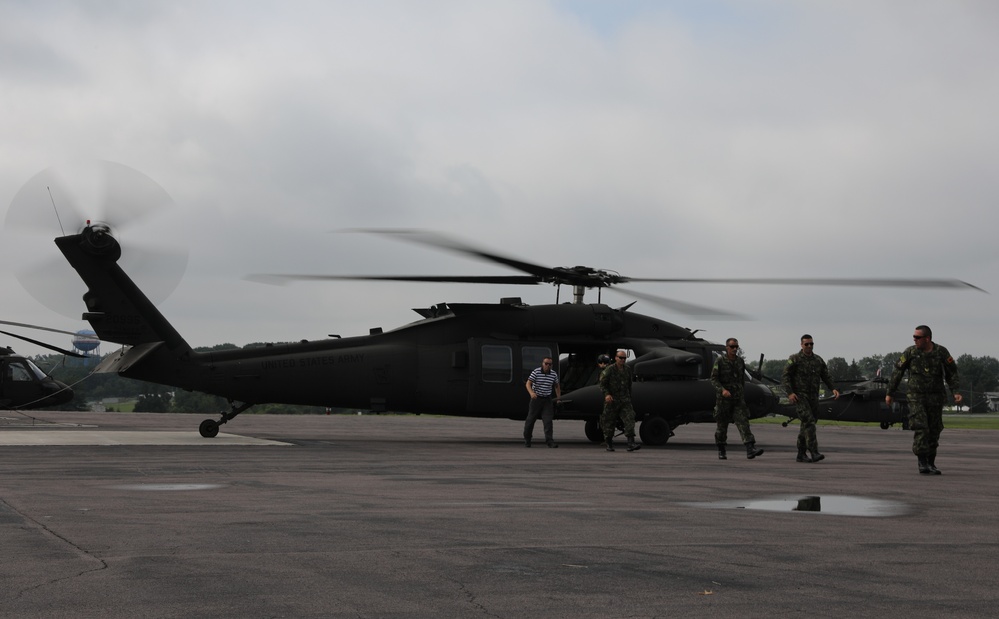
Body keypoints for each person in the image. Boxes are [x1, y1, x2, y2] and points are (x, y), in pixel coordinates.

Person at [886, 325, 962, 475]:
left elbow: (951, 372)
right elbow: (897, 372)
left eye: (917, 337)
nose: (914, 340)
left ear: (927, 339)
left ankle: (931, 462)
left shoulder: (941, 352)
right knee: (921, 427)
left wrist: (956, 391)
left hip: (936, 396)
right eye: (914, 337)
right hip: (916, 396)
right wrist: (890, 392)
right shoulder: (910, 352)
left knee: (934, 429)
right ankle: (922, 462)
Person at [781, 334, 840, 463]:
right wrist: (790, 393)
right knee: (809, 422)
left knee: (807, 424)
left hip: (813, 397)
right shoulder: (794, 359)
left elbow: (826, 375)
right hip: (800, 396)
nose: (809, 346)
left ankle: (801, 454)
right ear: (801, 345)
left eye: (811, 344)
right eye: (806, 344)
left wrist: (833, 388)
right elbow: (786, 377)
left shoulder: (818, 360)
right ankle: (814, 451)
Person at [710, 338, 764, 460]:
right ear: (727, 348)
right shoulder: (720, 361)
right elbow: (714, 379)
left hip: (738, 399)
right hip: (723, 400)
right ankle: (721, 449)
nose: (735, 349)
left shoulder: (740, 361)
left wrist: (741, 392)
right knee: (722, 426)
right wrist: (722, 390)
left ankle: (750, 449)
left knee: (743, 422)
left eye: (736, 347)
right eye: (732, 347)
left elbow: (741, 380)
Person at [598, 351, 641, 452]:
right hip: (612, 400)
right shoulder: (609, 370)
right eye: (620, 358)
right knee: (609, 422)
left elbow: (629, 384)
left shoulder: (627, 369)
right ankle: (609, 443)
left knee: (630, 419)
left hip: (625, 400)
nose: (622, 360)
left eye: (624, 358)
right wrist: (607, 394)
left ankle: (631, 443)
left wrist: (629, 397)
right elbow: (602, 384)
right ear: (616, 358)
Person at [524, 356, 561, 448]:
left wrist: (558, 398)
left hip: (547, 400)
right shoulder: (536, 372)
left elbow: (557, 386)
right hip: (536, 399)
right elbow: (528, 383)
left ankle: (550, 441)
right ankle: (527, 439)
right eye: (546, 364)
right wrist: (531, 393)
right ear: (542, 363)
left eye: (550, 364)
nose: (547, 366)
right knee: (530, 420)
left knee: (548, 421)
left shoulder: (553, 374)